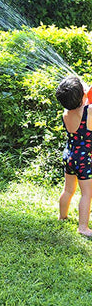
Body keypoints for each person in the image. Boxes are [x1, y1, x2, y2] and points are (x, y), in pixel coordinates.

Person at [56, 75, 92, 237]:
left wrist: (84, 93)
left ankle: (62, 216)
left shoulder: (66, 112)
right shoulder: (88, 112)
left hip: (69, 155)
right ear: (81, 95)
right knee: (87, 193)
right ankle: (83, 227)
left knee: (68, 189)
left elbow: (81, 102)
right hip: (84, 160)